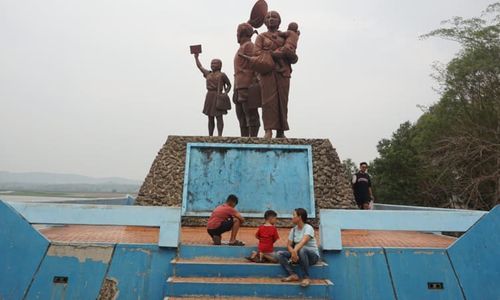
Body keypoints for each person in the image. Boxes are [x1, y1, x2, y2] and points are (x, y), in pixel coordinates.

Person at [254, 11, 298, 139]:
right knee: (268, 102)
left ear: (279, 21)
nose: (271, 19)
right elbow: (256, 53)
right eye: (268, 17)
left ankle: (281, 131)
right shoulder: (261, 37)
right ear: (264, 22)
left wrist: (285, 53)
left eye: (274, 17)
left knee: (282, 102)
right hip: (267, 73)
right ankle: (268, 130)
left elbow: (294, 58)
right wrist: (272, 54)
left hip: (283, 72)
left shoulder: (286, 37)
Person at [277, 208, 320, 287]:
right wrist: (293, 252)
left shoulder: (308, 228)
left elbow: (303, 242)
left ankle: (306, 277)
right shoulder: (293, 230)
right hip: (298, 255)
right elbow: (289, 245)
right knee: (280, 254)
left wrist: (294, 252)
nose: (292, 217)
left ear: (299, 217)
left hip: (312, 257)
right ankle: (293, 274)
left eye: (294, 215)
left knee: (302, 250)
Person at [233, 22, 261, 137]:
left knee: (250, 114)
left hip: (248, 85)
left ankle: (252, 139)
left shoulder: (249, 46)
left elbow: (255, 64)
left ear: (241, 34)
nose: (236, 35)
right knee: (241, 116)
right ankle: (244, 138)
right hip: (239, 86)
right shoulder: (241, 47)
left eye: (237, 32)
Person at [194, 53, 232, 137]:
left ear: (220, 65)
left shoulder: (222, 75)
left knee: (219, 117)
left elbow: (229, 85)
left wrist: (225, 93)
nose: (213, 65)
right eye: (212, 63)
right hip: (209, 96)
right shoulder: (208, 74)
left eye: (215, 63)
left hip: (218, 96)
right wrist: (196, 57)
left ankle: (219, 135)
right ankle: (210, 135)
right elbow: (200, 67)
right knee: (210, 117)